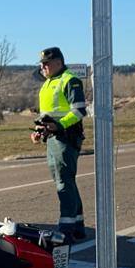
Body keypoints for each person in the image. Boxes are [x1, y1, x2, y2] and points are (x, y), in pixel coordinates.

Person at [32, 47, 87, 241]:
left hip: (66, 137)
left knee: (63, 183)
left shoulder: (69, 80)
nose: (42, 67)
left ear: (58, 62)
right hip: (53, 137)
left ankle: (66, 228)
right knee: (66, 181)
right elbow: (48, 114)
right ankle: (78, 225)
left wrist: (58, 126)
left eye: (46, 63)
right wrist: (40, 131)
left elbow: (79, 111)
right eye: (41, 64)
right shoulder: (48, 83)